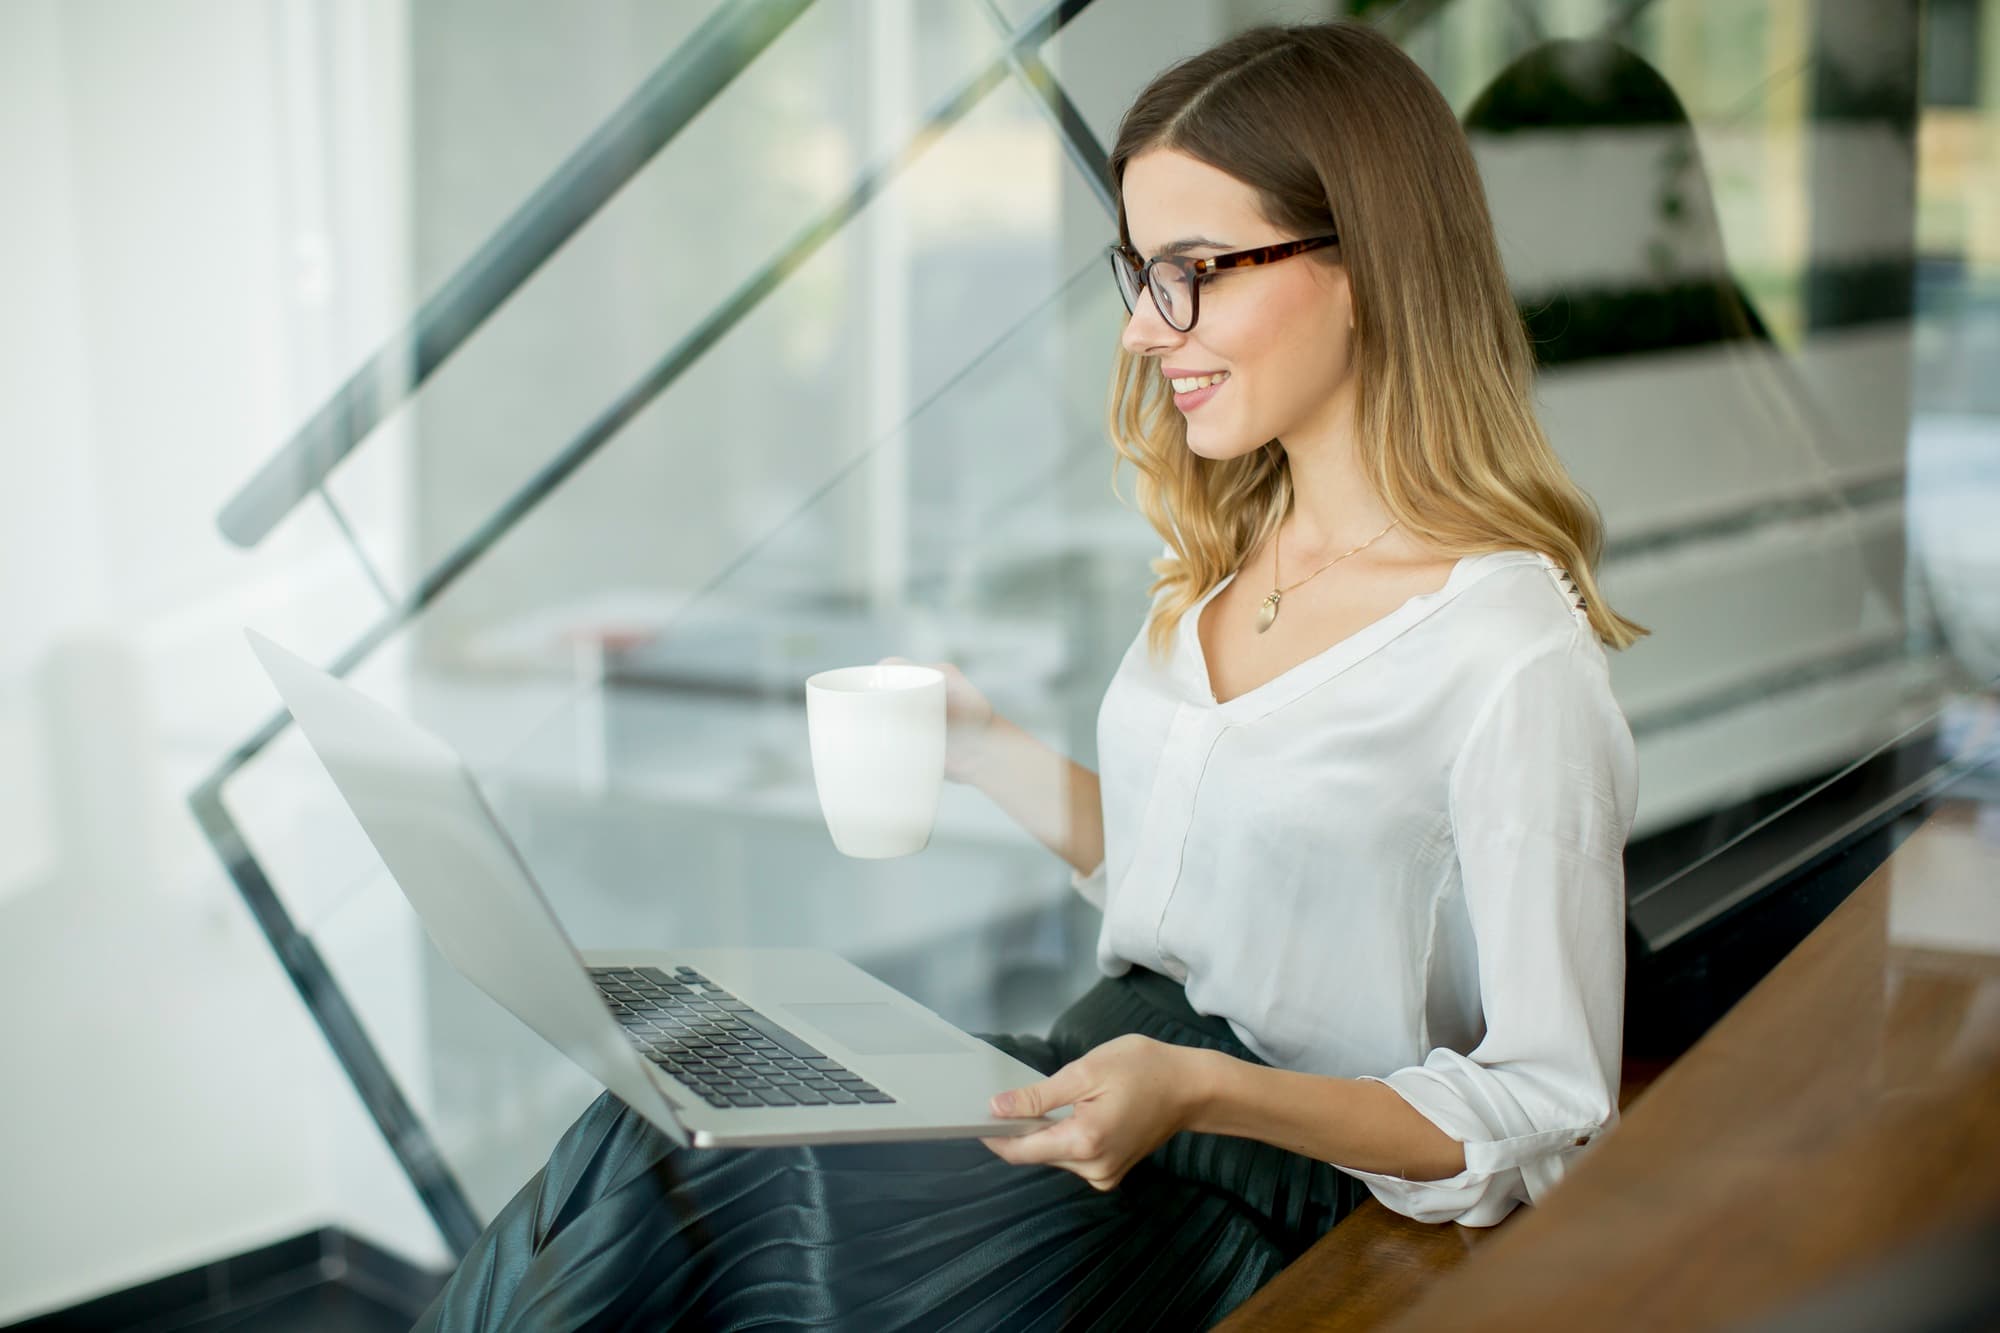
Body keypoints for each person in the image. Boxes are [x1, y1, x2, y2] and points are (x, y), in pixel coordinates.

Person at [412, 19, 1645, 1331]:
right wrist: (979, 739)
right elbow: (1213, 889)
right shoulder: (1235, 554)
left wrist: (1202, 1091)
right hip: (1094, 1083)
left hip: (1252, 1183)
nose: (1141, 330)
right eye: (1137, 273)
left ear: (1367, 265)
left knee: (719, 1198)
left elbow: (1550, 1111)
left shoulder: (1508, 655)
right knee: (656, 1103)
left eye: (1195, 270)